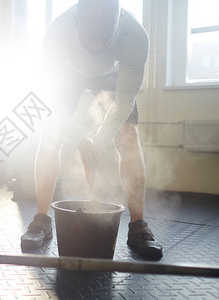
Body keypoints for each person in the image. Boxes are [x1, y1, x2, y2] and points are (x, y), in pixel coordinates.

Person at [20, 0, 163, 259]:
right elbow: (53, 101)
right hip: (67, 75)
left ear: (118, 22)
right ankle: (42, 219)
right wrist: (81, 141)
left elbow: (123, 103)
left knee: (128, 135)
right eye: (90, 38)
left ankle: (138, 227)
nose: (97, 45)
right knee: (51, 134)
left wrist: (97, 141)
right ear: (77, 22)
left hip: (113, 73)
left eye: (105, 37)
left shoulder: (135, 37)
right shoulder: (58, 33)